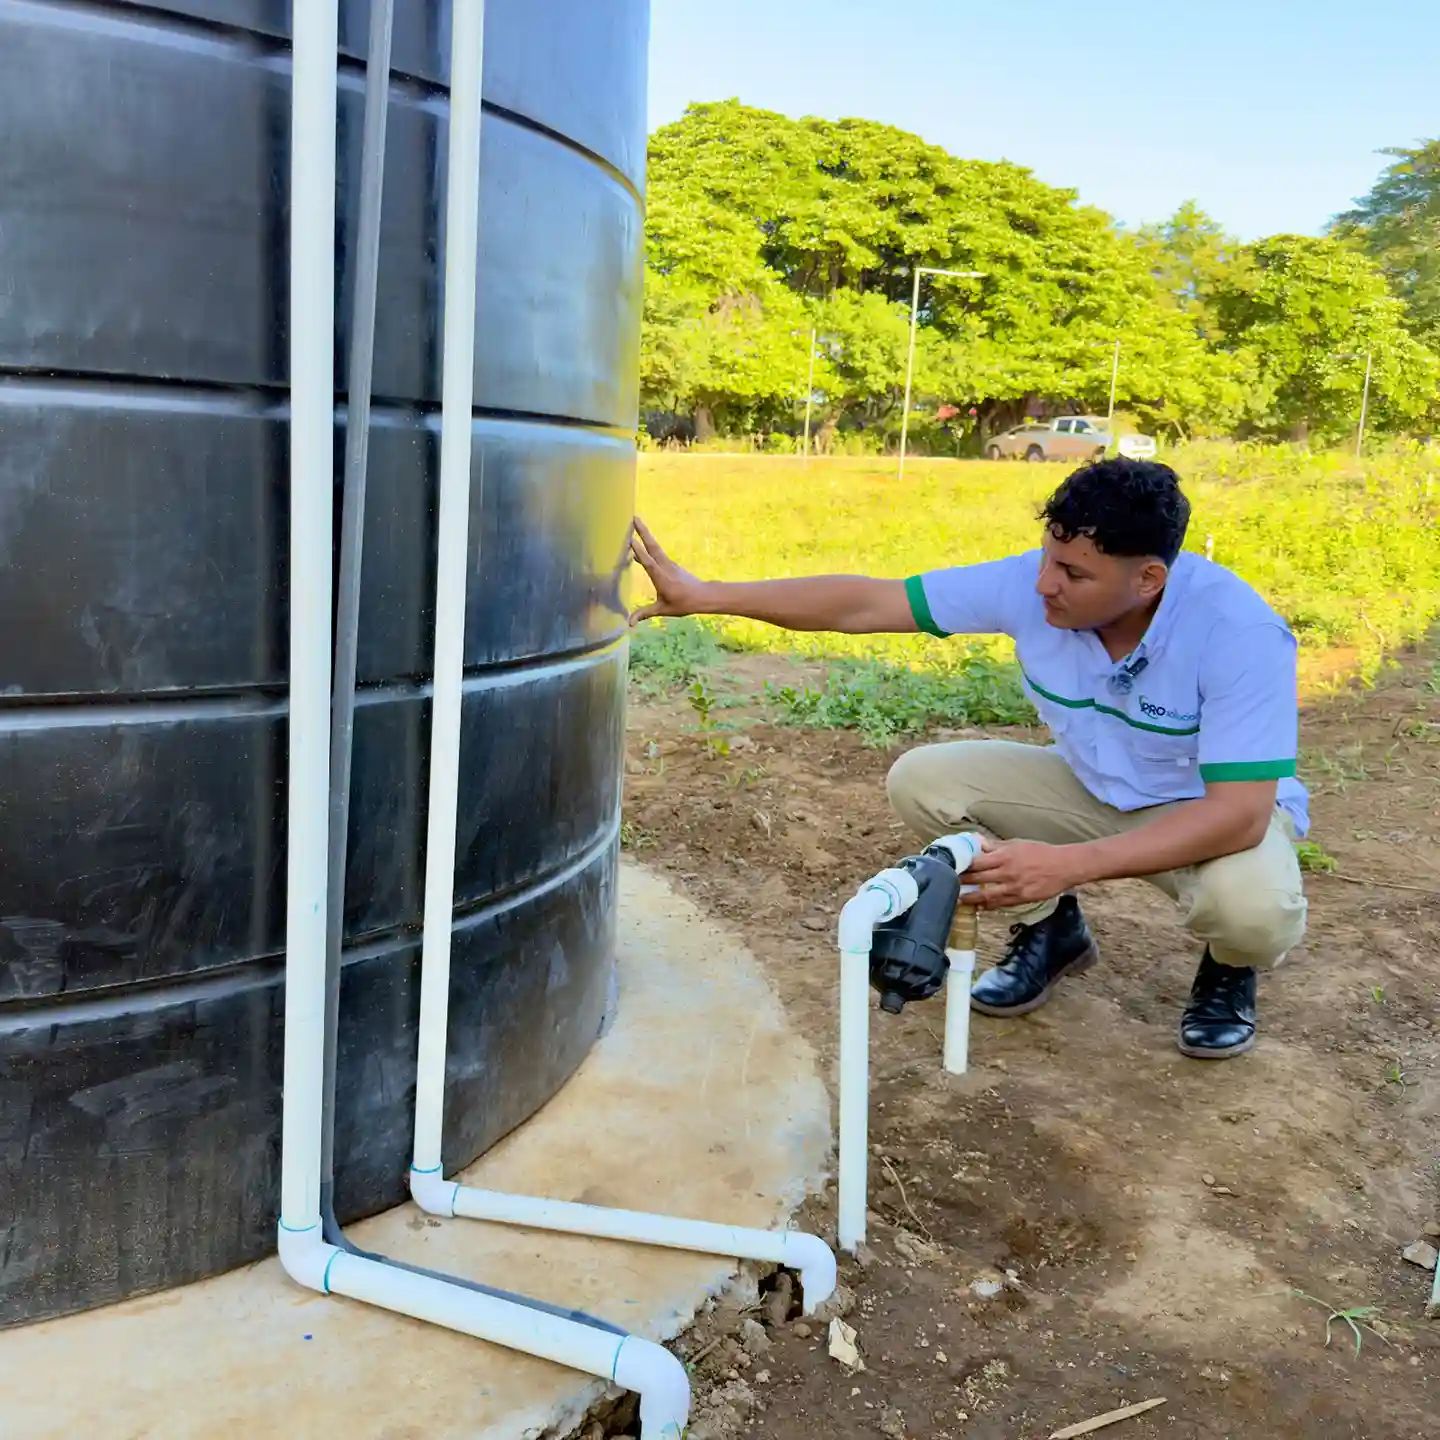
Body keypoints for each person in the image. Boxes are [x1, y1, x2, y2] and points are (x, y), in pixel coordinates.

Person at [627, 458, 1309, 1061]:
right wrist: (708, 595)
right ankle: (1051, 931)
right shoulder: (1032, 587)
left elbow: (1239, 815)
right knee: (925, 782)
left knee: (1251, 909)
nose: (1045, 584)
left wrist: (1069, 862)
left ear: (1149, 579)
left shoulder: (1237, 632)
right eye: (1048, 558)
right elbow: (868, 602)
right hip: (1092, 788)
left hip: (1201, 813)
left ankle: (1228, 968)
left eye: (1074, 573)